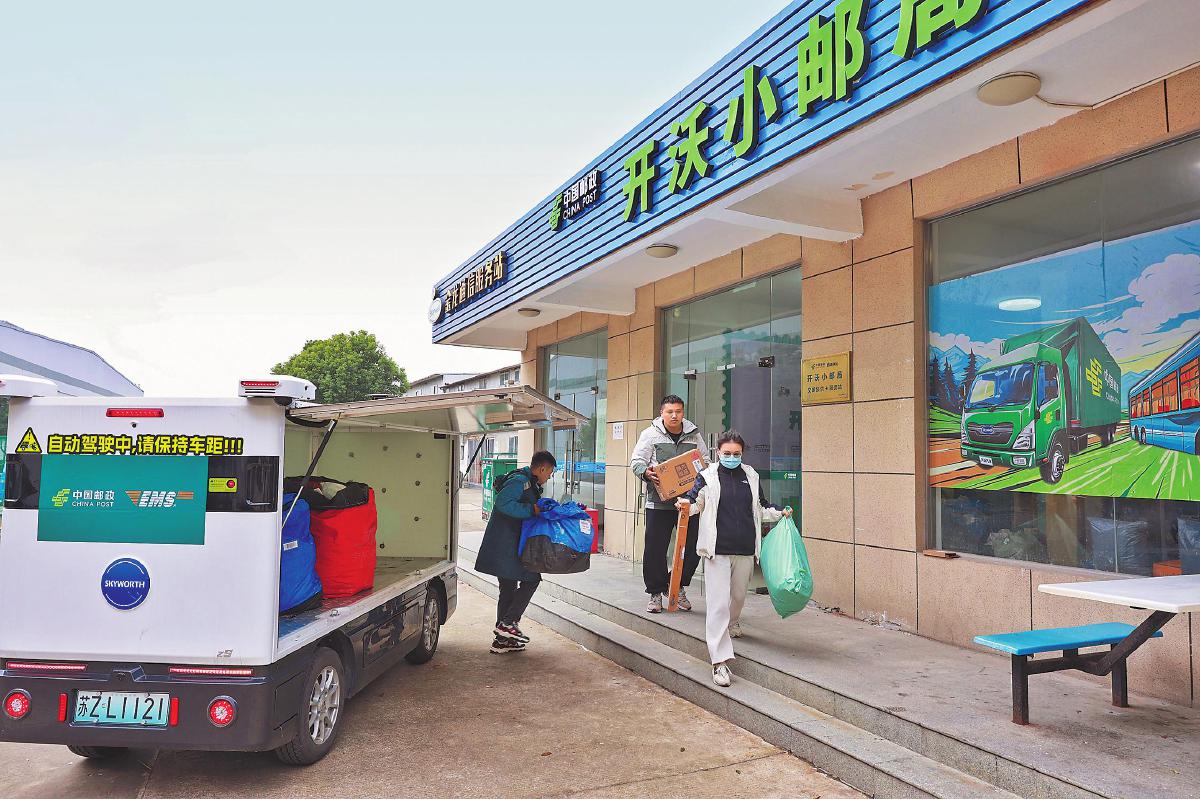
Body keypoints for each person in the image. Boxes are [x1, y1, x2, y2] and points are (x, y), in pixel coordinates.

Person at [677, 431, 790, 687]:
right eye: (726, 453)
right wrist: (685, 505)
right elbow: (695, 503)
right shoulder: (707, 476)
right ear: (718, 452)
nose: (731, 457)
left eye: (736, 454)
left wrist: (780, 513)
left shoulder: (751, 475)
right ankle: (719, 661)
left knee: (738, 597)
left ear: (742, 454)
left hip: (746, 548)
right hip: (717, 549)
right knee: (717, 604)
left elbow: (760, 507)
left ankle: (732, 621)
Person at [629, 395, 709, 613]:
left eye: (678, 411)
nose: (674, 415)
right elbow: (637, 461)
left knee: (692, 548)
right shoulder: (650, 434)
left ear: (683, 412)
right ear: (661, 413)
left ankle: (676, 586)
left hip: (689, 503)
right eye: (669, 412)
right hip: (659, 503)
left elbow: (706, 461)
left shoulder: (694, 435)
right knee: (655, 550)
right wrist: (645, 473)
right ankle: (655, 593)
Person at [474, 450, 557, 654]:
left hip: (507, 544)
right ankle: (508, 623)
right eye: (550, 472)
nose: (549, 477)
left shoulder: (528, 482)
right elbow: (503, 503)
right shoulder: (520, 481)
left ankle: (503, 640)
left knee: (508, 588)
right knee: (532, 579)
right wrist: (531, 510)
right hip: (507, 545)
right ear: (542, 468)